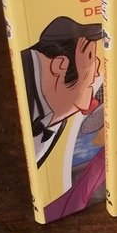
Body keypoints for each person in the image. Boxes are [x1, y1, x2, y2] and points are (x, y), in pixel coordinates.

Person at [21, 16, 102, 168]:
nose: (97, 70)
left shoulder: (56, 118)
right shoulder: (21, 79)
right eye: (90, 56)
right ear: (60, 65)